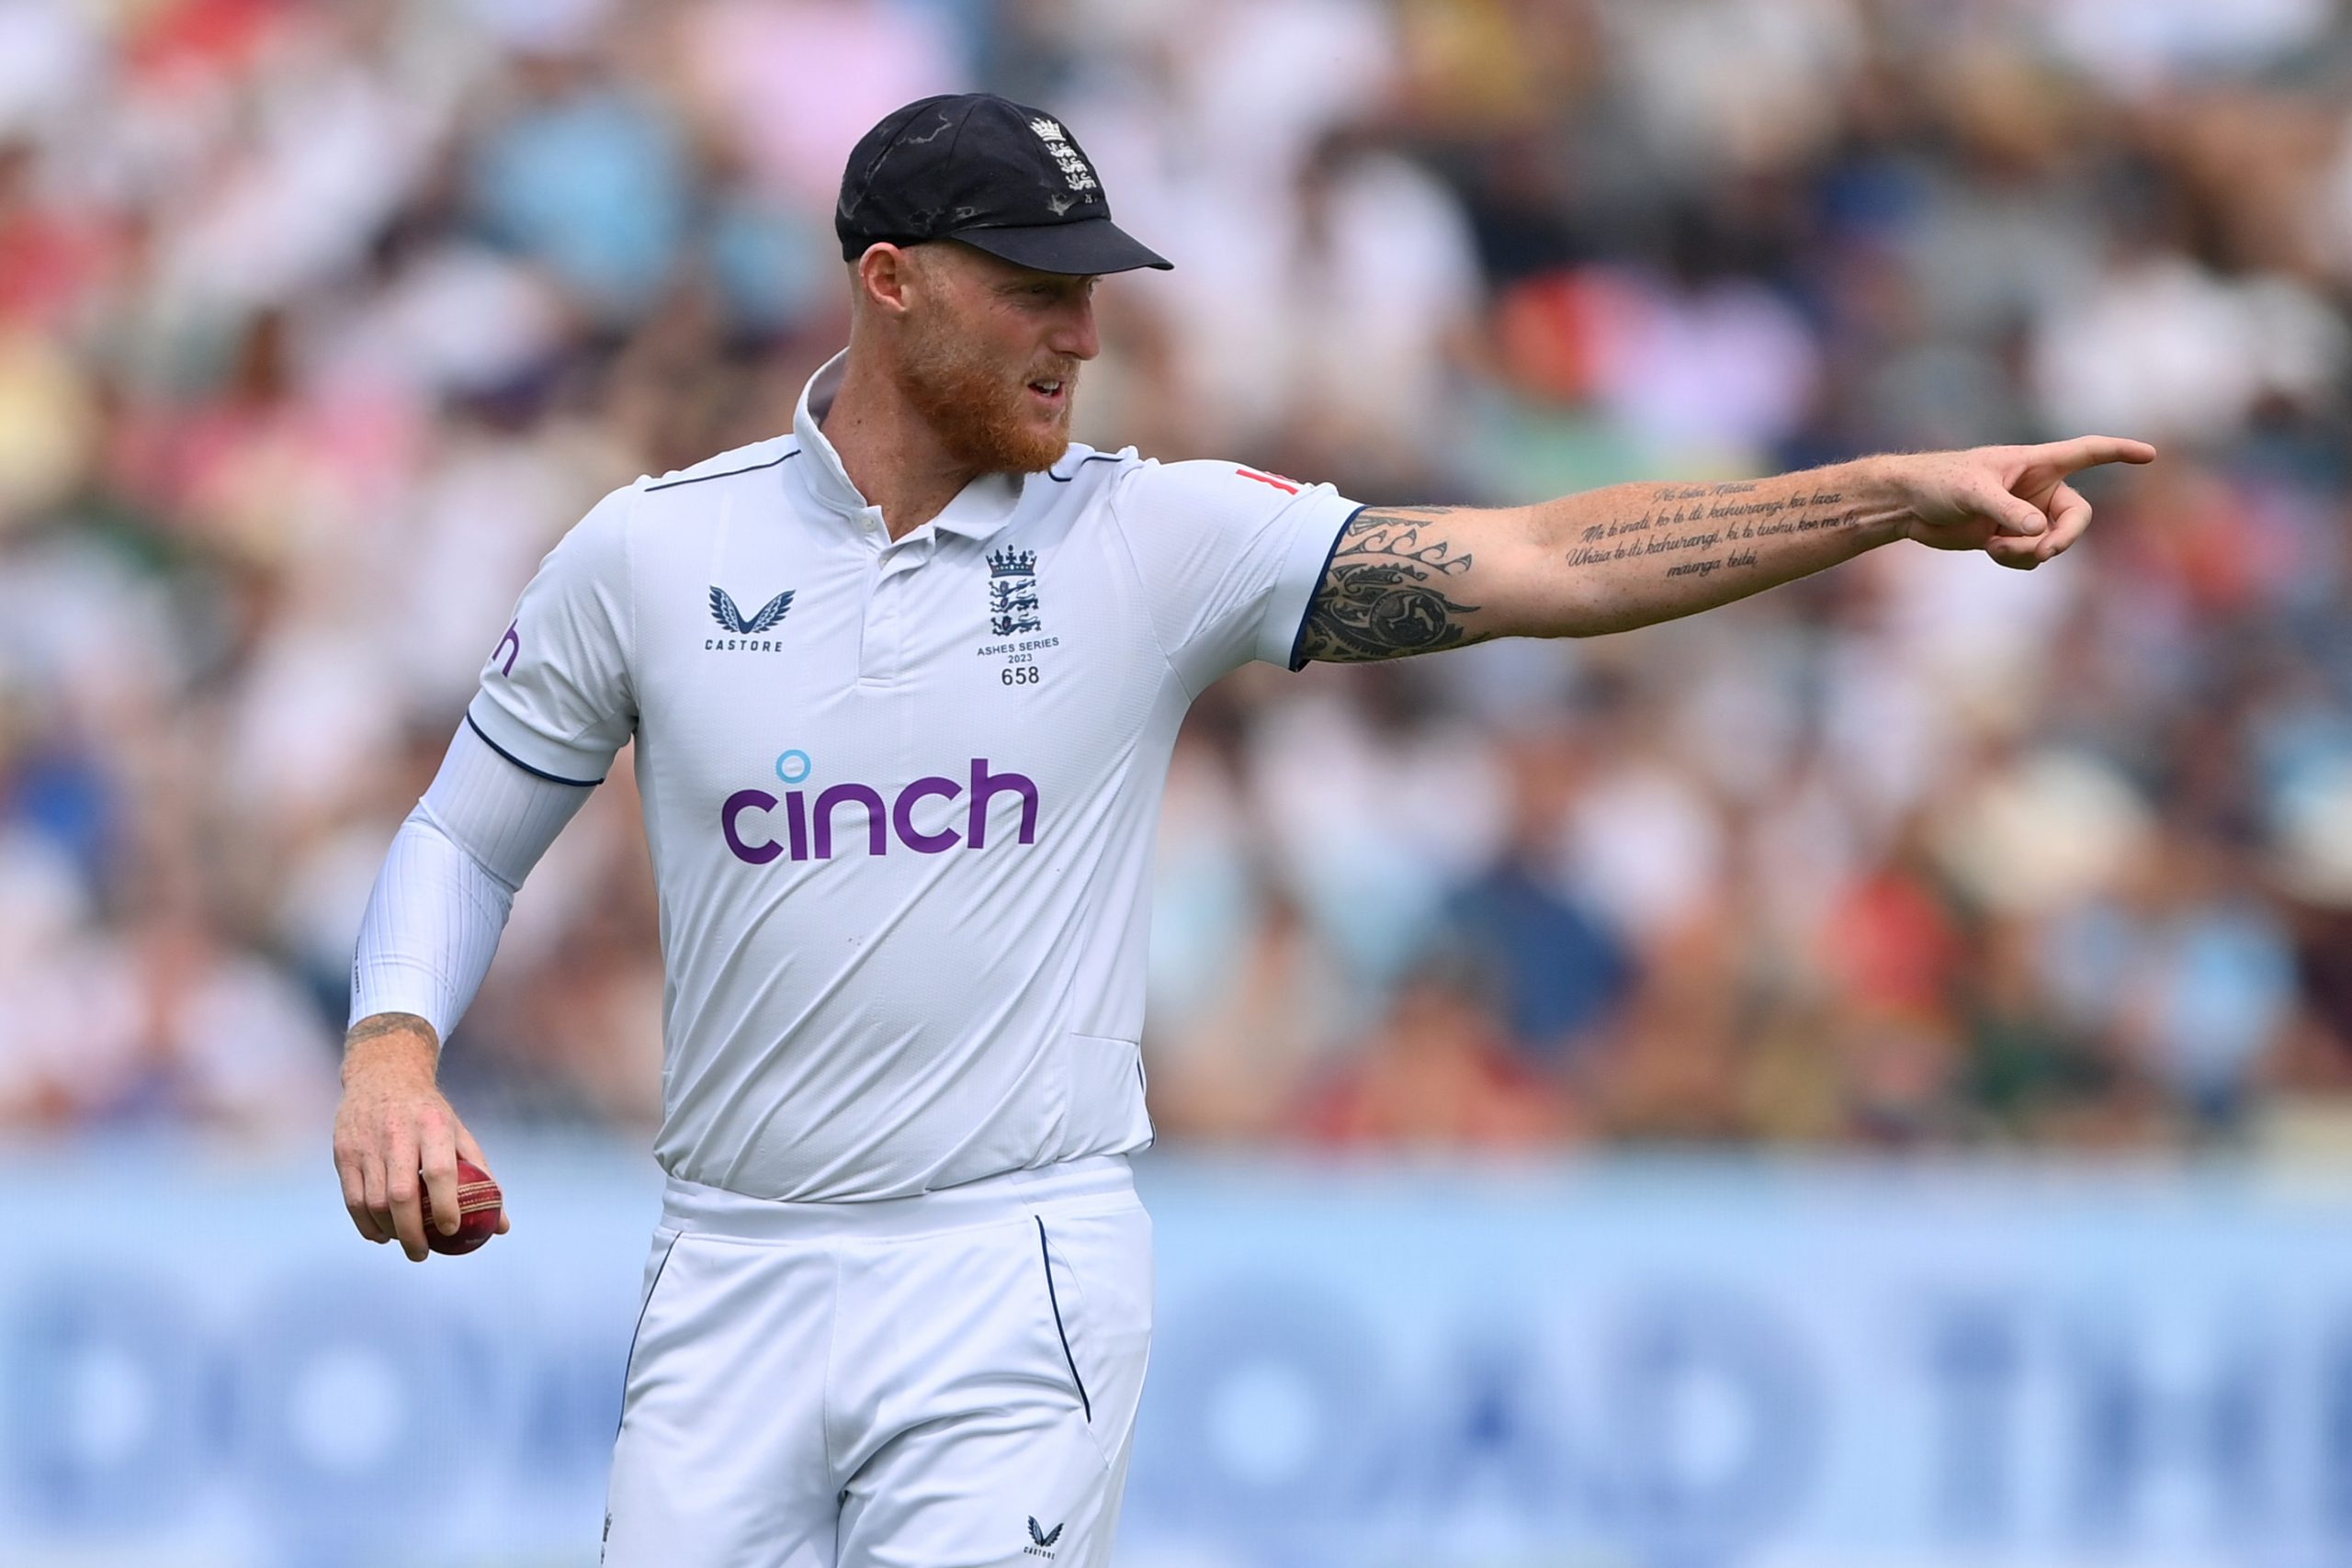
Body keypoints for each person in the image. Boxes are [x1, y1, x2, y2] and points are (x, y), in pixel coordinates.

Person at [330, 92, 2154, 1567]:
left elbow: (1529, 560)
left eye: (1092, 284)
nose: (1083, 328)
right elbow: (467, 834)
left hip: (1007, 1263)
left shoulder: (1154, 536)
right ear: (888, 281)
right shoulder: (656, 551)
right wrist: (392, 1055)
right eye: (1031, 284)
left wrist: (1877, 496)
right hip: (724, 1262)